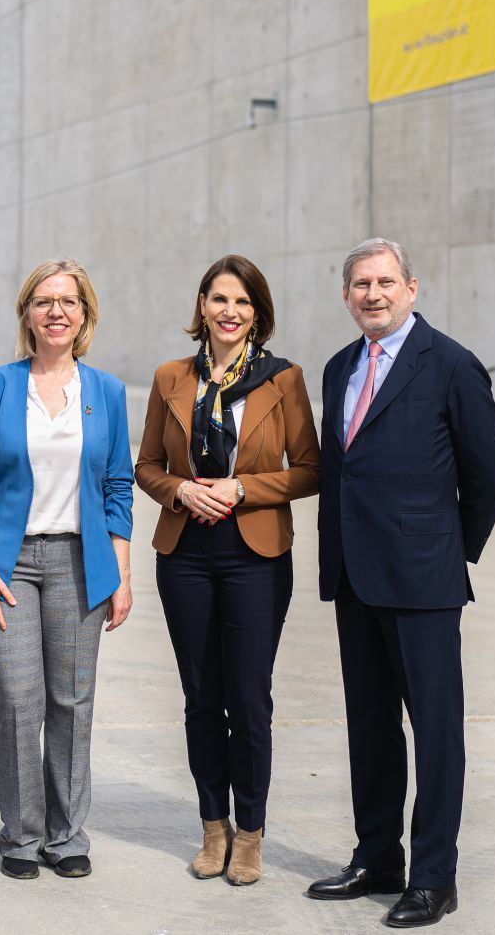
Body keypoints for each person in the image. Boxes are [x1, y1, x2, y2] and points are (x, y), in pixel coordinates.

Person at [307, 237, 495, 929]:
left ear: (412, 288)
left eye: (385, 281)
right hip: (356, 577)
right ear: (346, 295)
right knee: (369, 725)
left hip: (423, 580)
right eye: (361, 283)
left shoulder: (450, 365)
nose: (373, 294)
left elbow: (487, 476)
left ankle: (432, 877)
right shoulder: (338, 368)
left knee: (436, 730)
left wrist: (450, 552)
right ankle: (377, 857)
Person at [134, 254, 320, 887]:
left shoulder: (284, 380)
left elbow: (309, 470)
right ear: (202, 306)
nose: (230, 312)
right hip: (185, 554)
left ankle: (250, 833)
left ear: (257, 314)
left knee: (249, 697)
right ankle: (212, 826)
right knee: (201, 697)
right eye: (219, 299)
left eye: (242, 302)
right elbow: (148, 465)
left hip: (255, 556)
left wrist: (241, 489)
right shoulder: (170, 377)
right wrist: (180, 492)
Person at [0, 259, 135, 881]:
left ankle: (67, 834)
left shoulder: (104, 390)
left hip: (81, 562)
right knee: (16, 698)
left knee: (72, 700)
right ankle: (22, 834)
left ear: (85, 315)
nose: (57, 311)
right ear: (26, 312)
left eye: (69, 301)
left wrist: (123, 574)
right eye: (44, 300)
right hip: (7, 563)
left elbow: (117, 487)